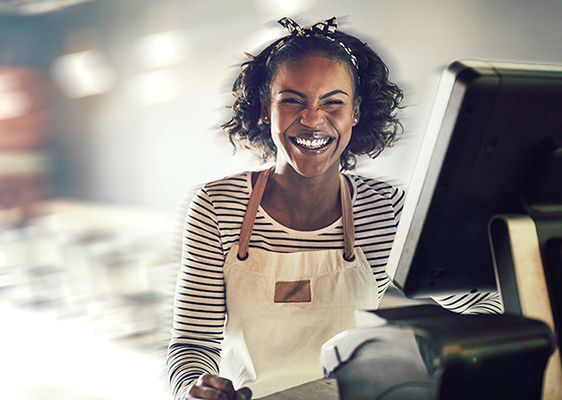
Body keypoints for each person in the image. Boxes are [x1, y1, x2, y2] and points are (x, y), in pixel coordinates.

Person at [167, 17, 502, 400]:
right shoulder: (217, 207)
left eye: (333, 103)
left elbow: (486, 305)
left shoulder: (387, 210)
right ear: (265, 108)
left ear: (355, 113)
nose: (312, 119)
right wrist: (195, 390)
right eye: (292, 100)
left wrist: (437, 364)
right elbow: (192, 345)